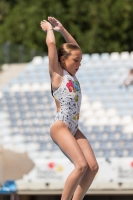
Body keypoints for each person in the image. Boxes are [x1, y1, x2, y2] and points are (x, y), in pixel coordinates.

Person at [40, 16, 99, 200]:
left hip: (73, 127)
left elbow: (76, 49)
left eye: (80, 61)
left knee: (92, 167)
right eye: (76, 61)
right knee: (80, 165)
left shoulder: (72, 74)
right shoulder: (57, 75)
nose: (79, 64)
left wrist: (63, 29)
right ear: (63, 59)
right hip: (61, 126)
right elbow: (51, 44)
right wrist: (50, 29)